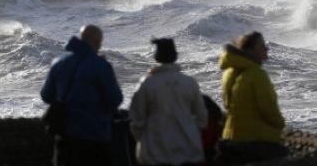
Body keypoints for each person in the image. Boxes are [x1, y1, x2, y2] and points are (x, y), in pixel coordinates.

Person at [40, 25, 123, 166]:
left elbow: (46, 96)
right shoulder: (101, 65)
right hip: (96, 136)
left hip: (65, 137)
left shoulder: (59, 62)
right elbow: (115, 99)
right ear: (96, 42)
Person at [129, 38, 208, 166]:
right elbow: (202, 118)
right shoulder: (189, 82)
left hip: (155, 154)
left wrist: (143, 139)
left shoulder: (147, 84)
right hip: (188, 152)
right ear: (175, 55)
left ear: (156, 57)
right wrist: (190, 132)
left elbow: (137, 119)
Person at [218, 31, 288, 163]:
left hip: (230, 136)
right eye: (262, 45)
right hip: (253, 140)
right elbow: (268, 109)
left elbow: (227, 105)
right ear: (251, 49)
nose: (266, 48)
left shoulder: (229, 72)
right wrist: (281, 124)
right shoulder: (257, 74)